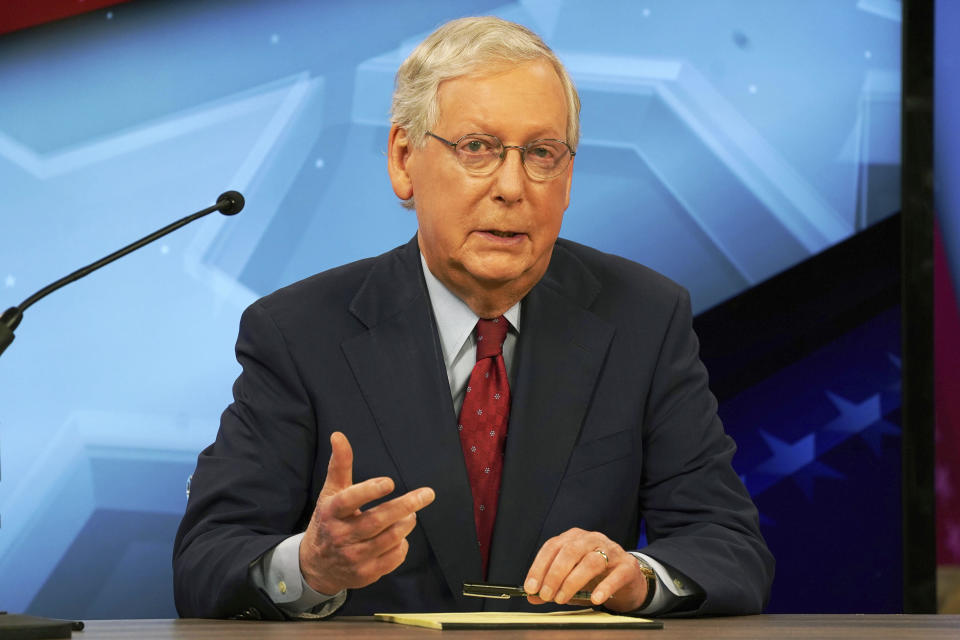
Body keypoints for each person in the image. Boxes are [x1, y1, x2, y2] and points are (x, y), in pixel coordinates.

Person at [173, 16, 774, 620]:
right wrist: (309, 566)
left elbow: (728, 547)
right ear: (404, 160)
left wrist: (637, 577)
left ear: (567, 177)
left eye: (542, 153)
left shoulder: (645, 316)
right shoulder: (299, 332)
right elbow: (206, 561)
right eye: (477, 148)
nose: (512, 186)